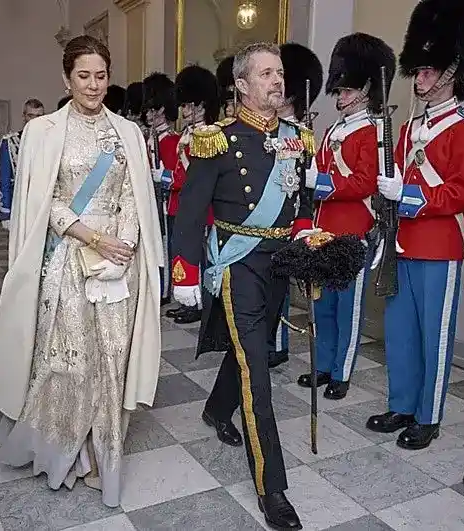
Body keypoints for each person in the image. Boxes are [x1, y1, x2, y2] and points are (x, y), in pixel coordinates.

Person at [0, 35, 163, 508]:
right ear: (66, 79)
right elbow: (45, 202)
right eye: (83, 76)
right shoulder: (43, 131)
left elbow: (134, 196)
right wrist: (94, 239)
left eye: (101, 75)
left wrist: (123, 246)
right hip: (68, 259)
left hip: (119, 263)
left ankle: (105, 458)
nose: (93, 85)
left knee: (113, 359)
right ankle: (70, 452)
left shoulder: (127, 132)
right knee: (73, 359)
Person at [171, 42, 316, 530]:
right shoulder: (217, 140)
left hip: (279, 264)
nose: (277, 81)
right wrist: (185, 273)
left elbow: (300, 204)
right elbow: (190, 211)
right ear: (242, 85)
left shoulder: (297, 138)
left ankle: (217, 410)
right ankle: (272, 487)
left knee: (247, 350)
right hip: (239, 265)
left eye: (280, 73)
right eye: (266, 73)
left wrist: (309, 240)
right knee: (258, 371)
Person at [365, 0, 464, 449]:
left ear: (451, 72)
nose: (419, 78)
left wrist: (404, 195)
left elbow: (461, 193)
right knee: (400, 333)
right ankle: (402, 404)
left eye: (427, 71)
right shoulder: (408, 128)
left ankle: (428, 415)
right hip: (402, 242)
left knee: (434, 337)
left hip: (440, 245)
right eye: (419, 70)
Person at [294, 34, 394, 399]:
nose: (340, 96)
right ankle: (323, 364)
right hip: (324, 229)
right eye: (339, 90)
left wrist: (321, 183)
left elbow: (365, 181)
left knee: (347, 309)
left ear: (366, 89)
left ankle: (342, 371)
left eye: (347, 90)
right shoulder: (334, 128)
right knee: (323, 306)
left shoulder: (374, 130)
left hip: (353, 230)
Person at [268, 42, 324, 369]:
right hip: (264, 217)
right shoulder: (267, 126)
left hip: (291, 217)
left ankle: (278, 343)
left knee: (280, 286)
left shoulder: (300, 133)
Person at [165, 65, 221, 324]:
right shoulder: (189, 133)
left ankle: (200, 304)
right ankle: (190, 301)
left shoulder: (209, 135)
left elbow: (198, 179)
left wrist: (174, 176)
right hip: (184, 204)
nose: (184, 111)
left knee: (200, 257)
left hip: (202, 208)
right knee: (185, 253)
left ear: (201, 105)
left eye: (188, 105)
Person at [142, 72, 180, 305]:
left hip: (166, 203)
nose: (148, 115)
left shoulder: (172, 140)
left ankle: (166, 289)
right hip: (152, 200)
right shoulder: (149, 139)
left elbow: (178, 174)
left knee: (166, 245)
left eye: (152, 110)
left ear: (162, 110)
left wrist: (163, 176)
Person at [0, 98, 45, 229]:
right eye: (30, 115)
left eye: (39, 116)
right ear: (24, 116)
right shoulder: (11, 142)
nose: (35, 120)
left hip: (45, 204)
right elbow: (4, 178)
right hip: (20, 204)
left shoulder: (51, 141)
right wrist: (5, 213)